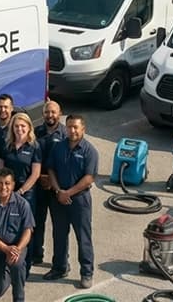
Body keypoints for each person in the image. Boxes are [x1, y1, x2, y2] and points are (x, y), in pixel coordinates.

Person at [44, 114, 98, 289]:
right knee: (59, 235)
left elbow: (89, 178)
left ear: (83, 129)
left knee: (83, 238)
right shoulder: (58, 147)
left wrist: (68, 193)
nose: (72, 130)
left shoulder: (90, 151)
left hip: (79, 200)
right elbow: (50, 169)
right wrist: (59, 191)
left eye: (75, 127)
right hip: (58, 197)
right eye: (69, 127)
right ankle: (59, 267)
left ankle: (86, 273)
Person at [0, 168, 34, 302]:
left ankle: (19, 297)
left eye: (7, 183)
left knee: (17, 263)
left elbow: (28, 230)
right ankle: (6, 274)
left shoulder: (23, 204)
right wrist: (5, 249)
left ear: (13, 185)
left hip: (16, 247)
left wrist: (17, 249)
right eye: (0, 183)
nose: (3, 187)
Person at [0, 112, 41, 275]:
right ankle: (7, 262)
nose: (19, 129)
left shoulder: (34, 146)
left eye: (23, 126)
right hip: (6, 193)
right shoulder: (6, 145)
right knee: (6, 227)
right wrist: (5, 190)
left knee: (25, 229)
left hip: (26, 194)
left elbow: (35, 174)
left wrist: (20, 191)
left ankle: (25, 265)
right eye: (16, 126)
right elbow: (0, 169)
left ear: (29, 127)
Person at [33, 100, 66, 265]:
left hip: (57, 187)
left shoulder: (66, 135)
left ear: (59, 113)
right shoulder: (36, 132)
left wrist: (53, 182)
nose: (50, 115)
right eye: (47, 112)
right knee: (37, 223)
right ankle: (36, 255)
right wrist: (39, 177)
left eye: (53, 112)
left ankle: (60, 263)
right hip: (38, 184)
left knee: (59, 227)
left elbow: (67, 163)